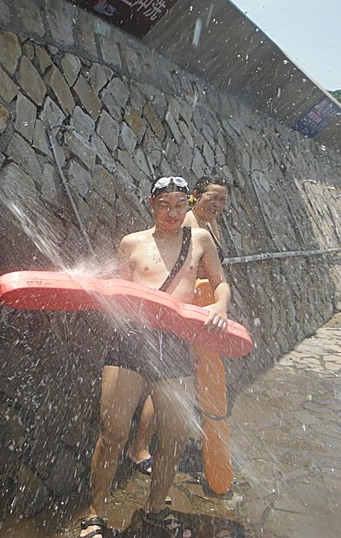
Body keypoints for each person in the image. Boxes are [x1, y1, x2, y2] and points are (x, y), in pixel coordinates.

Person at [80, 176, 231, 538]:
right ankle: (94, 513)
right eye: (164, 204)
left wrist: (221, 305)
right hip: (131, 339)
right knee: (113, 432)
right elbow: (118, 293)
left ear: (188, 203)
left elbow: (220, 281)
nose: (172, 212)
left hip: (175, 342)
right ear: (151, 204)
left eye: (180, 204)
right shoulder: (131, 243)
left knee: (176, 436)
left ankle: (155, 508)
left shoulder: (200, 239)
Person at [126, 175, 231, 495]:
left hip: (199, 310)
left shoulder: (210, 227)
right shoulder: (184, 222)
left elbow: (216, 274)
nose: (217, 205)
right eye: (212, 198)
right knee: (165, 383)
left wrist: (219, 305)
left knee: (173, 381)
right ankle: (140, 447)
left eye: (223, 200)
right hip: (176, 313)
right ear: (195, 197)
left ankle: (151, 444)